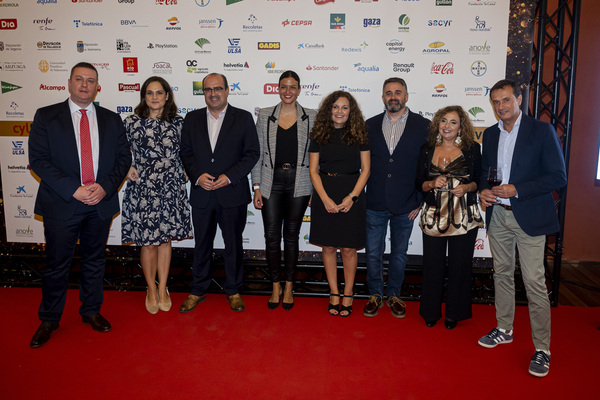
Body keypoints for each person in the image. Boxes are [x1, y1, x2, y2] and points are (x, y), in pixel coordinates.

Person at [28, 62, 131, 348]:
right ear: (69, 83)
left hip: (99, 202)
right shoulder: (47, 116)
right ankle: (50, 319)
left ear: (98, 86)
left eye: (90, 80)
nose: (85, 85)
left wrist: (105, 187)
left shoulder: (112, 119)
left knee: (95, 260)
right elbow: (39, 160)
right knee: (56, 264)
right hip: (62, 203)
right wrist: (74, 189)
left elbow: (124, 159)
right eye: (79, 79)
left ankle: (91, 311)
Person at [478, 79, 567, 377]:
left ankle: (542, 348)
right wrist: (483, 191)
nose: (501, 106)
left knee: (533, 282)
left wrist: (518, 189)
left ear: (519, 99)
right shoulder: (491, 134)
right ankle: (504, 328)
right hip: (498, 216)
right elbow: (485, 172)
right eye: (495, 102)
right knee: (501, 274)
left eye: (506, 100)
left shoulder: (541, 131)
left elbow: (558, 176)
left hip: (529, 216)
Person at [179, 73, 259, 313]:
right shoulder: (192, 119)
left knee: (233, 244)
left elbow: (252, 153)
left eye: (217, 89)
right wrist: (197, 176)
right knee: (202, 244)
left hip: (232, 193)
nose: (213, 94)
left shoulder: (243, 118)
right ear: (203, 92)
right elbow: (185, 153)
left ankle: (233, 290)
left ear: (227, 90)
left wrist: (230, 176)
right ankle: (197, 290)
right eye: (208, 90)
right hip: (202, 193)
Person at [121, 76, 193, 314]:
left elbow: (189, 151)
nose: (154, 97)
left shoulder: (179, 122)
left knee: (164, 240)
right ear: (144, 96)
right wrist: (127, 167)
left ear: (167, 95)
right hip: (143, 187)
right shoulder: (131, 122)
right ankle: (150, 288)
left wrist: (188, 169)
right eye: (149, 93)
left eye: (159, 92)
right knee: (148, 242)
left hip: (170, 187)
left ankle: (163, 288)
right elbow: (117, 150)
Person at [363, 77, 430, 318]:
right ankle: (375, 294)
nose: (393, 97)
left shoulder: (424, 126)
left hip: (407, 203)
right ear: (383, 97)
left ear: (406, 96)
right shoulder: (369, 125)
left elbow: (427, 166)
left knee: (399, 254)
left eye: (398, 92)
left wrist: (420, 199)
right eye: (389, 93)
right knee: (373, 253)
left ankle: (394, 294)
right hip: (375, 202)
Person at [251, 71, 316, 310]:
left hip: (300, 181)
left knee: (291, 235)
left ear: (299, 89)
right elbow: (257, 154)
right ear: (277, 89)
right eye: (284, 87)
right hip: (271, 181)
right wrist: (256, 186)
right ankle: (275, 285)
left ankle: (289, 285)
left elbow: (316, 155)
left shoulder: (312, 116)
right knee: (271, 237)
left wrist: (315, 188)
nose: (288, 91)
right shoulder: (265, 115)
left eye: (292, 87)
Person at [416, 105, 483, 329]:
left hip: (464, 216)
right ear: (437, 124)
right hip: (434, 215)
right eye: (443, 121)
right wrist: (431, 183)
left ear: (461, 127)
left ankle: (454, 314)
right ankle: (430, 311)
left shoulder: (472, 149)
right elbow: (419, 183)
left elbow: (478, 181)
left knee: (460, 267)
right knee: (432, 266)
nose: (447, 126)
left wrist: (467, 187)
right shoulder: (427, 150)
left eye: (453, 122)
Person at [309, 91, 370, 317]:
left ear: (351, 111)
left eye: (344, 107)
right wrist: (324, 198)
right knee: (327, 247)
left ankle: (348, 293)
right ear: (329, 110)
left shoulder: (360, 134)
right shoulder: (319, 134)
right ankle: (334, 292)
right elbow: (313, 170)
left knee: (348, 249)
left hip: (352, 194)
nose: (339, 111)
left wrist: (352, 197)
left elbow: (366, 170)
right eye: (335, 107)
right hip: (324, 193)